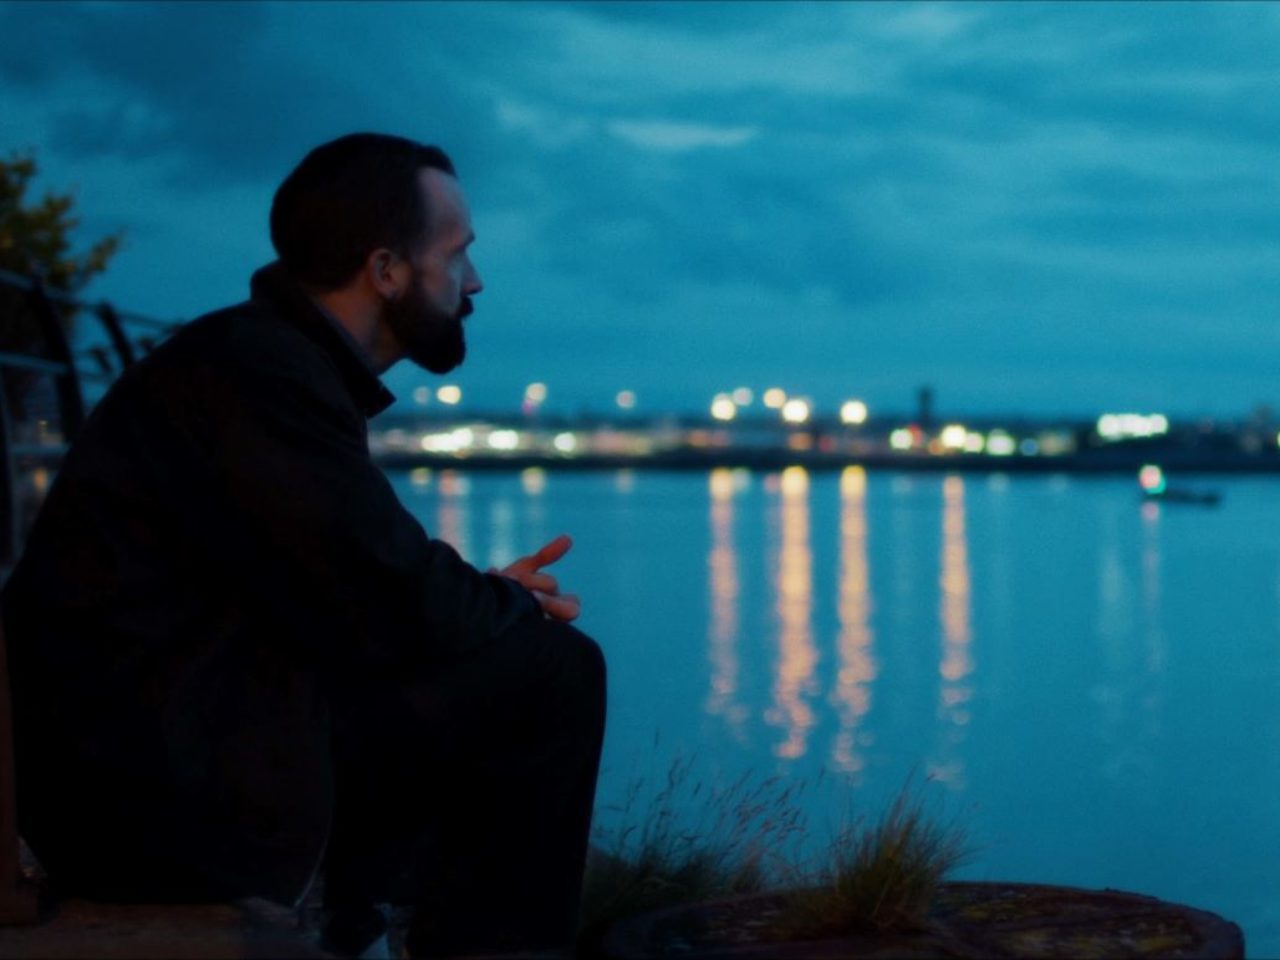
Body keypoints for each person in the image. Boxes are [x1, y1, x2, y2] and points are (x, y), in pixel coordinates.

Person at [1, 133, 607, 958]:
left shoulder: (259, 363)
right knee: (552, 672)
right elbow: (392, 593)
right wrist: (504, 601)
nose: (474, 281)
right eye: (458, 255)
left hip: (154, 748)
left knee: (466, 656)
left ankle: (363, 922)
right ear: (386, 269)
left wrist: (479, 600)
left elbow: (359, 579)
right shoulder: (261, 376)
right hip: (147, 798)